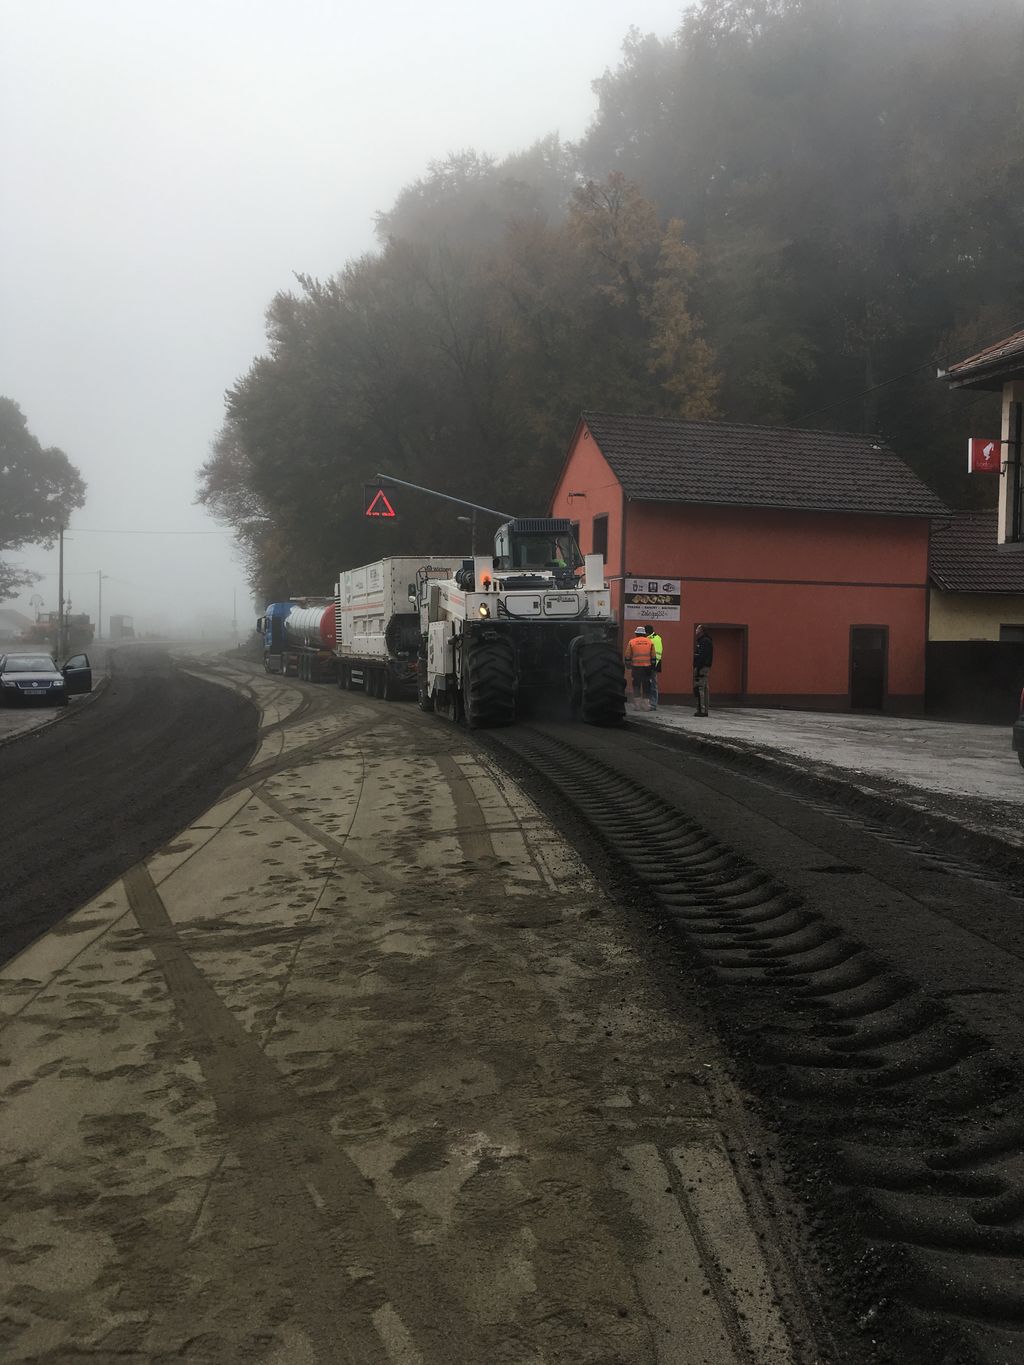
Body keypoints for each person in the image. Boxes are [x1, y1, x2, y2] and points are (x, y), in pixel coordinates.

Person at [624, 625, 656, 709]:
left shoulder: (632, 642)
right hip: (647, 667)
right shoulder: (650, 642)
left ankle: (637, 705)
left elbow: (627, 655)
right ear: (644, 634)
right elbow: (653, 656)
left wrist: (628, 666)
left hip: (636, 667)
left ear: (636, 634)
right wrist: (652, 666)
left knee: (636, 685)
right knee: (646, 685)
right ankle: (646, 705)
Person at [692, 624, 713, 716]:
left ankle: (701, 710)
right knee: (704, 688)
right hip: (704, 667)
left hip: (702, 667)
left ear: (702, 631)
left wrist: (698, 668)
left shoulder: (704, 642)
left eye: (698, 629)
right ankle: (705, 710)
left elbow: (702, 656)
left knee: (699, 688)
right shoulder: (706, 641)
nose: (696, 630)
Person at [647, 627, 663, 710]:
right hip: (654, 664)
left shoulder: (651, 639)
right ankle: (651, 703)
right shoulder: (657, 638)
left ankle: (652, 704)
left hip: (651, 665)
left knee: (652, 685)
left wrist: (652, 665)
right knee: (652, 684)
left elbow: (656, 653)